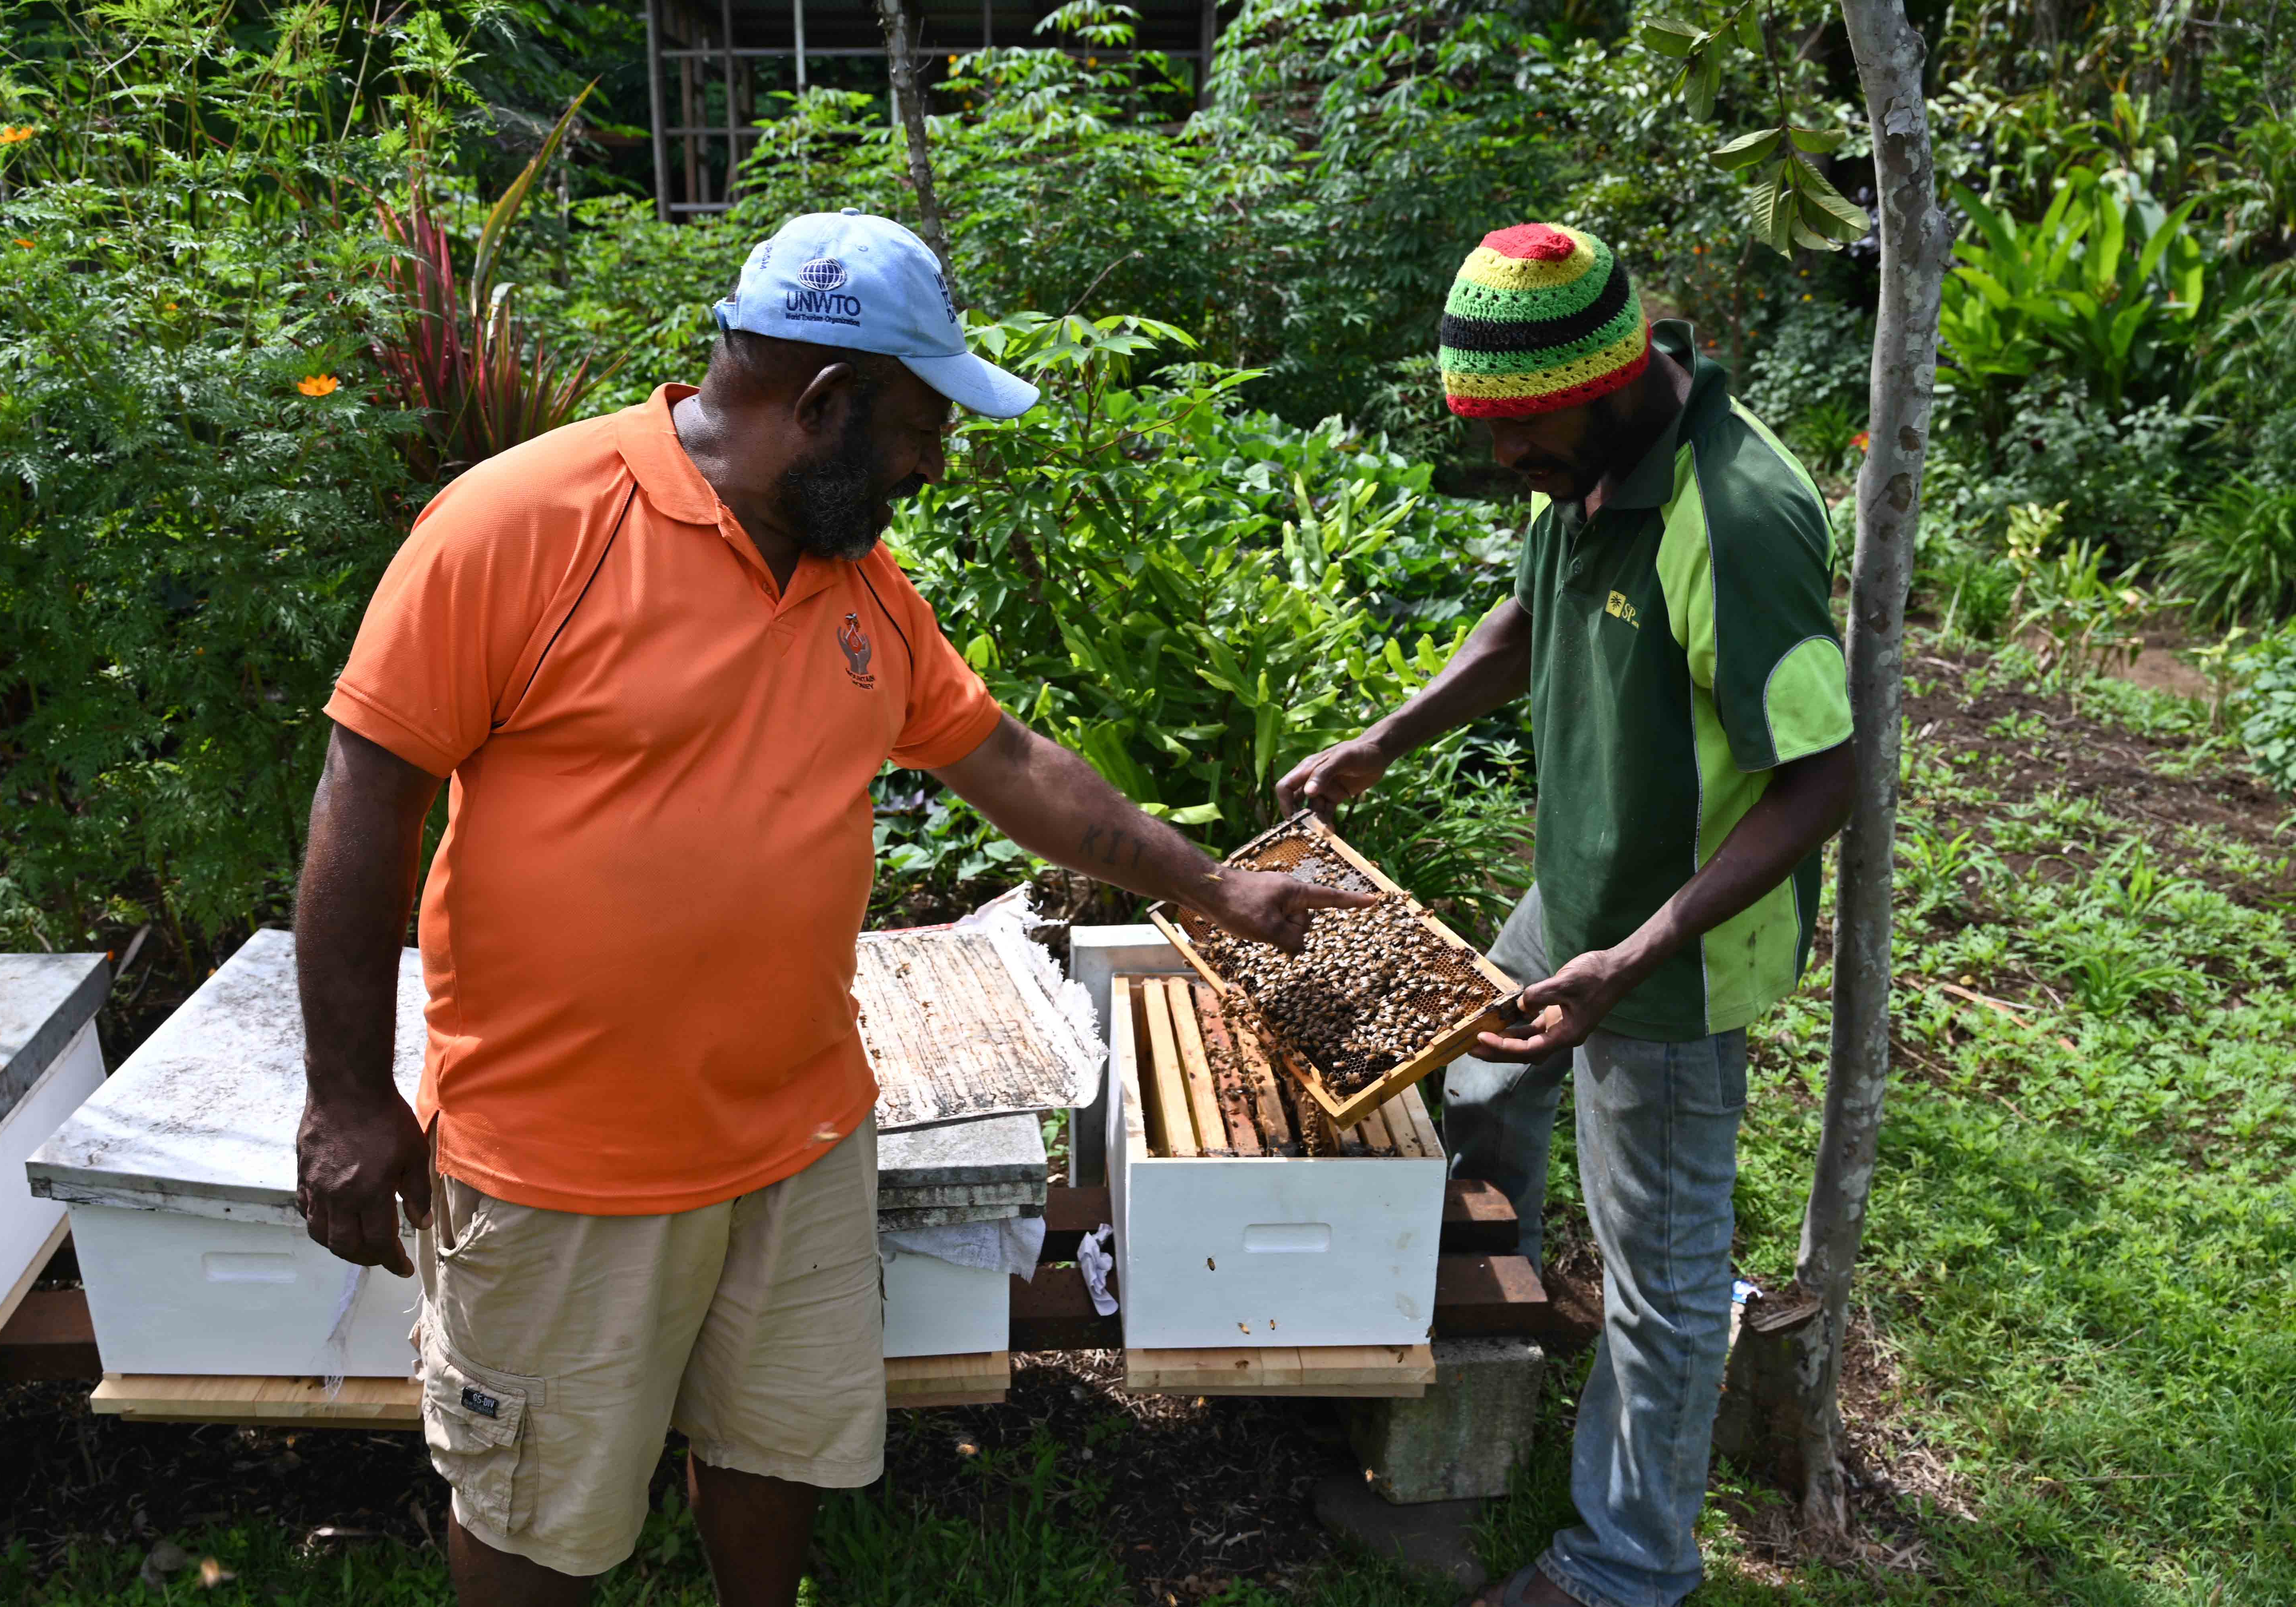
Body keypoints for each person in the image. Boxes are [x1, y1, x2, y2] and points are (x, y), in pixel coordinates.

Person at [294, 210, 1368, 1607]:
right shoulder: (522, 524)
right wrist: (347, 1095)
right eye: (922, 425)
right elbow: (366, 796)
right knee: (534, 1503)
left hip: (797, 1134)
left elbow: (1007, 765)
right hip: (564, 1160)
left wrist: (1214, 885)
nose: (934, 462)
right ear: (822, 403)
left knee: (777, 1442)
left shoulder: (860, 585)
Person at [1277, 222, 1858, 1607]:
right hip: (1578, 892)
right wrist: (1386, 737)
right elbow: (1526, 617)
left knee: (1662, 1281)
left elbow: (1825, 777)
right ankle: (1480, 1371)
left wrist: (1640, 953)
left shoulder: (1738, 517)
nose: (1506, 468)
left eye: (1521, 440)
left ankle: (1626, 1565)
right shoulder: (1589, 460)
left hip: (1678, 954)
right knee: (1473, 1094)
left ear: (1603, 390)